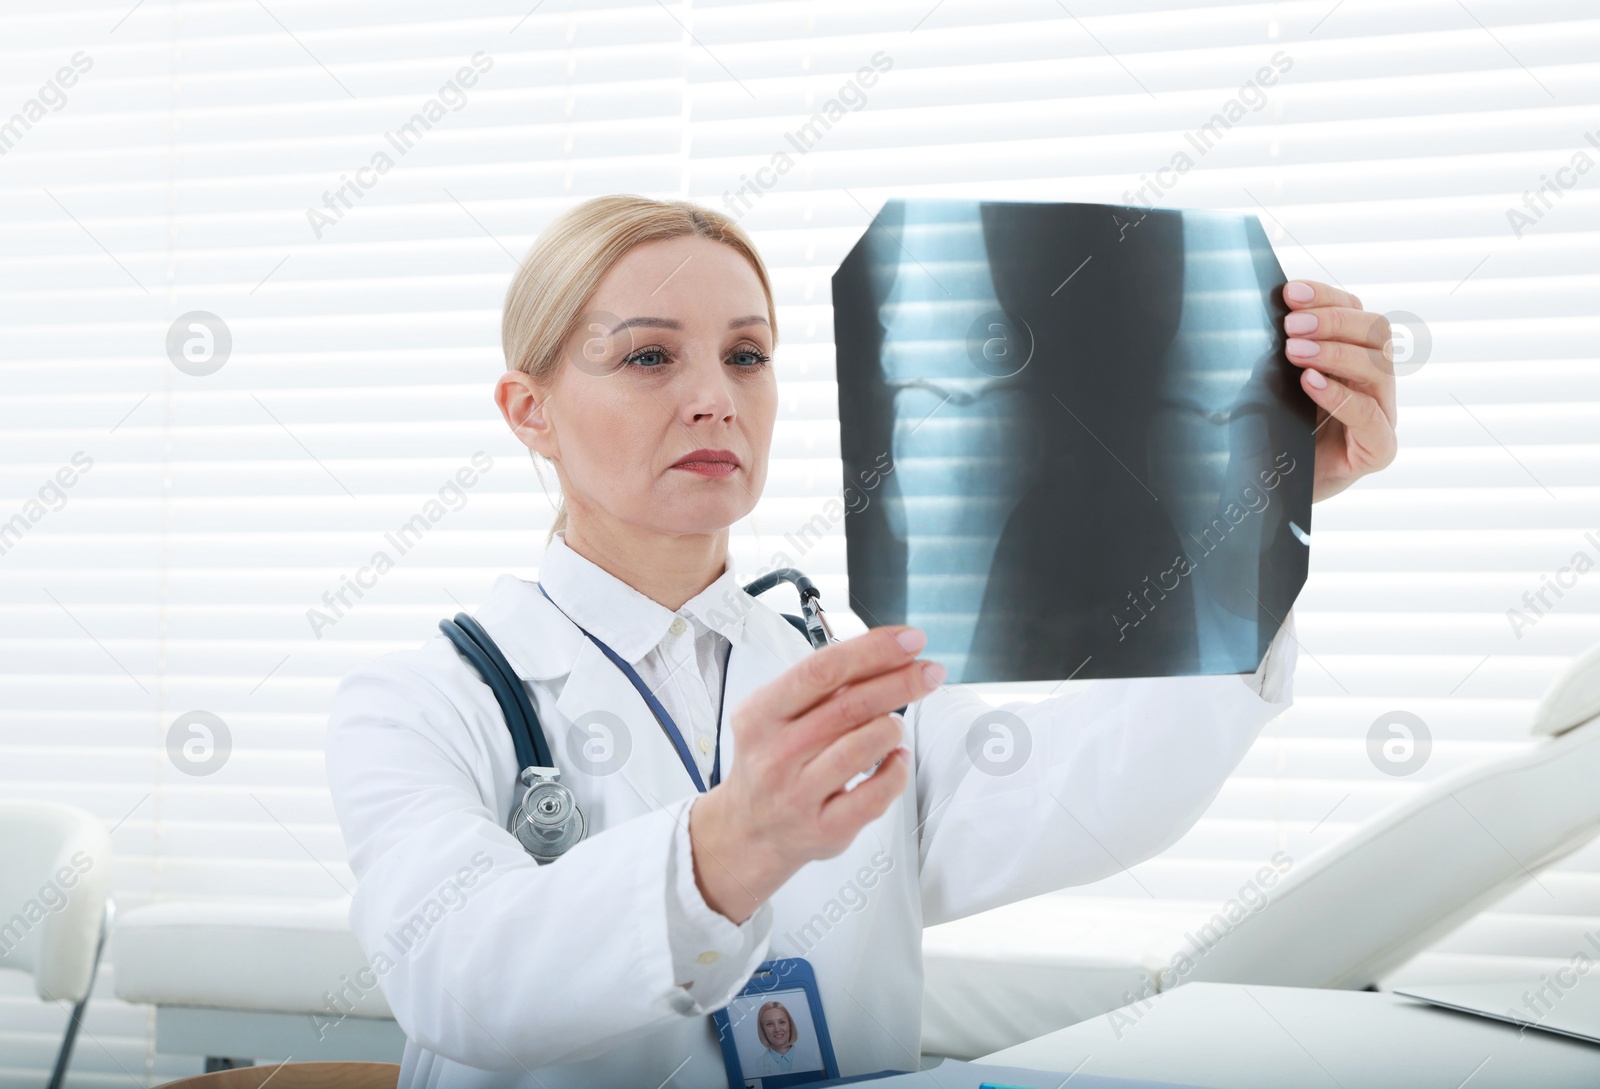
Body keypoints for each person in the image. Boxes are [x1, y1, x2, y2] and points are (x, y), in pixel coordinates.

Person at [324, 194, 1398, 1089]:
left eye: (747, 356)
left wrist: (1259, 515)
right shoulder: (425, 704)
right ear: (529, 410)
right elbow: (457, 977)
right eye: (649, 357)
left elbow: (1085, 800)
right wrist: (730, 846)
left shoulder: (846, 675)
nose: (714, 399)